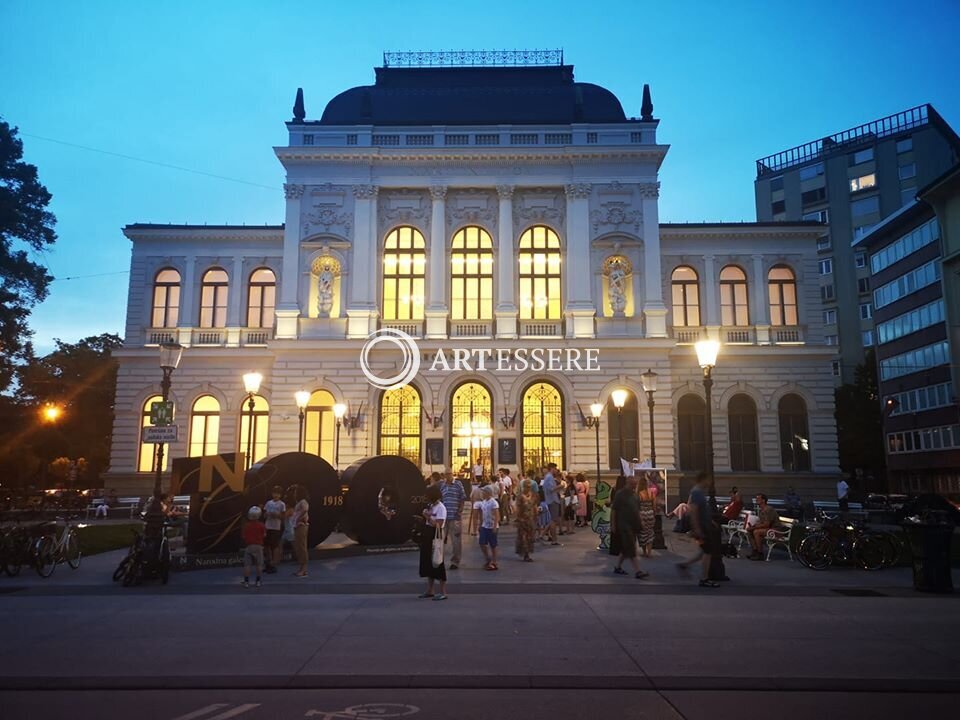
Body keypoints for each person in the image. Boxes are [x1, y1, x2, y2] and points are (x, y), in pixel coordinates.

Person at [677, 472, 719, 588]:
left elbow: (701, 510)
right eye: (708, 479)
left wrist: (711, 521)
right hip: (702, 528)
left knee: (704, 551)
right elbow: (693, 511)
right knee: (707, 551)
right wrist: (697, 529)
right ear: (703, 479)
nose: (710, 482)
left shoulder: (698, 492)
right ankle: (704, 578)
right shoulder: (696, 492)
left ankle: (685, 565)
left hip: (704, 526)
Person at [610, 475, 648, 579]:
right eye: (633, 484)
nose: (634, 486)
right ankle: (638, 571)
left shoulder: (635, 495)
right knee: (631, 547)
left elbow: (637, 510)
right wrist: (613, 525)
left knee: (626, 548)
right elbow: (614, 510)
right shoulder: (620, 494)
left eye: (635, 484)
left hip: (633, 524)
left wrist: (641, 521)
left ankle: (617, 567)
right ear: (628, 483)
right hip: (624, 525)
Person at [419, 483, 448, 600]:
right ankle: (430, 589)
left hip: (435, 535)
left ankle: (443, 591)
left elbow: (438, 525)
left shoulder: (441, 508)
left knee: (437, 561)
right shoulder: (431, 506)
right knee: (428, 561)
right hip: (427, 534)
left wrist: (428, 517)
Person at [439, 471, 466, 570]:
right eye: (446, 474)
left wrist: (460, 511)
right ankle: (439, 560)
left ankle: (455, 561)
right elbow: (440, 499)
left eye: (449, 474)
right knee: (440, 540)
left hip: (454, 517)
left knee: (456, 541)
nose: (447, 476)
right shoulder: (442, 485)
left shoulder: (458, 484)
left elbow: (462, 497)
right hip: (444, 517)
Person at [746, 494, 781, 560]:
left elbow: (766, 524)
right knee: (749, 531)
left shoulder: (768, 509)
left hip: (775, 530)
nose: (756, 500)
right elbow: (761, 522)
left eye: (758, 499)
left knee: (756, 532)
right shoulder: (761, 510)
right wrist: (752, 526)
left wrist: (754, 527)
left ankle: (760, 554)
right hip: (768, 529)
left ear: (763, 500)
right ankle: (755, 551)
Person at [263, 485, 286, 573]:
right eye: (274, 493)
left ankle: (274, 563)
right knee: (266, 545)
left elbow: (283, 516)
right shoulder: (268, 503)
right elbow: (264, 514)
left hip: (276, 527)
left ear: (280, 495)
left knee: (274, 546)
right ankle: (268, 562)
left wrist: (276, 515)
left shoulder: (282, 504)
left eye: (278, 494)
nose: (276, 495)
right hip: (268, 526)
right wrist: (267, 514)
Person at [241, 506, 266, 588]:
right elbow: (264, 535)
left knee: (247, 565)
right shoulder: (261, 525)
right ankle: (258, 581)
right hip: (258, 546)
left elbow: (244, 536)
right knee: (259, 564)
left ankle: (246, 582)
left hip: (249, 546)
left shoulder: (246, 525)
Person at [478, 485, 500, 570]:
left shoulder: (493, 502)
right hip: (484, 525)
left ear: (488, 493)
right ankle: (488, 559)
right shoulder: (483, 502)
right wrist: (480, 524)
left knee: (493, 544)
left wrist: (495, 526)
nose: (482, 493)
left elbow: (496, 515)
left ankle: (494, 561)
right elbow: (482, 514)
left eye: (484, 492)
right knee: (482, 543)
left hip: (491, 526)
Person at [514, 479, 536, 562]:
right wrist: (517, 518)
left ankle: (528, 552)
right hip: (522, 519)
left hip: (530, 519)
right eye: (527, 487)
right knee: (523, 537)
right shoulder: (520, 496)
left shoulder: (532, 495)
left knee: (530, 537)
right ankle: (525, 554)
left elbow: (534, 506)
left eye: (530, 487)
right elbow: (518, 508)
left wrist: (536, 513)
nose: (528, 488)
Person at [290, 488, 310, 578]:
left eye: (295, 492)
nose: (294, 494)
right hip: (297, 526)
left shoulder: (303, 501)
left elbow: (305, 510)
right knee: (298, 546)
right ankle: (302, 568)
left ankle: (304, 568)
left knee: (302, 546)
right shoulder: (299, 502)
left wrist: (298, 518)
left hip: (301, 525)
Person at [541, 463, 562, 545]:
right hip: (552, 500)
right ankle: (554, 540)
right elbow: (551, 489)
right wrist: (560, 486)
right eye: (555, 469)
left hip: (551, 500)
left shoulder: (548, 477)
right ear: (552, 468)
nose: (556, 470)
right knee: (553, 520)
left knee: (552, 520)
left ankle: (543, 534)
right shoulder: (549, 477)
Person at [637, 484, 655, 558]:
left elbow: (637, 507)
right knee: (650, 533)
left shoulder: (639, 494)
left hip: (642, 514)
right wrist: (654, 513)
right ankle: (649, 552)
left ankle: (644, 552)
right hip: (650, 514)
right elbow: (654, 505)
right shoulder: (651, 492)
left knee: (642, 534)